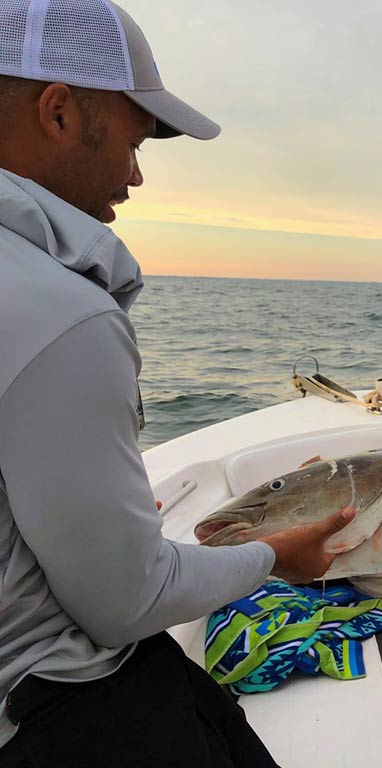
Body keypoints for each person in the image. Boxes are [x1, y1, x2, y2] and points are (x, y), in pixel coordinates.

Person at [0, 3, 353, 766]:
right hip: (63, 707)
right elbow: (130, 599)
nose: (135, 174)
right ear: (58, 112)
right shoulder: (61, 314)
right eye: (130, 143)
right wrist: (276, 557)